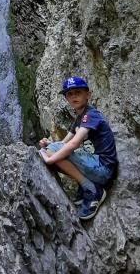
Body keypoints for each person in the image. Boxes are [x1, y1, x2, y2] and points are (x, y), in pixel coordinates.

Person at [39, 76, 117, 221]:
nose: (73, 96)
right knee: (52, 150)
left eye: (78, 92)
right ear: (66, 98)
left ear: (88, 94)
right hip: (96, 166)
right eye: (69, 94)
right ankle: (88, 186)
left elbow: (73, 144)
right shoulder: (79, 119)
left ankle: (93, 191)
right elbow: (64, 143)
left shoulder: (91, 115)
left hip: (103, 169)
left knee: (53, 154)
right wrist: (48, 144)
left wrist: (50, 159)